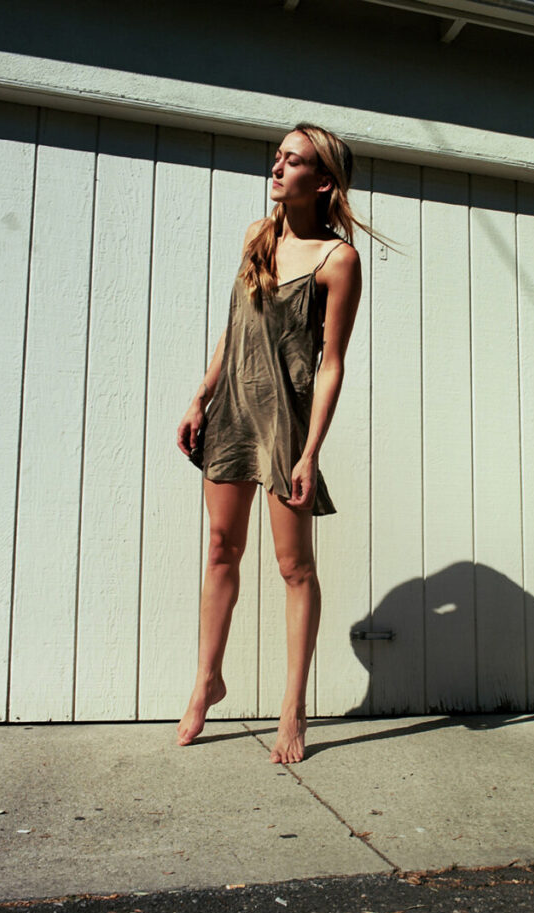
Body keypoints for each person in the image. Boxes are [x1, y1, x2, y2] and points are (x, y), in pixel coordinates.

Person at [175, 123, 363, 763]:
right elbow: (235, 329)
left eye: (294, 160)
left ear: (324, 180)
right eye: (277, 157)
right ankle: (207, 681)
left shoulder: (337, 260)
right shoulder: (259, 236)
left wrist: (311, 451)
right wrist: (201, 396)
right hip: (231, 412)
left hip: (285, 425)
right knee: (221, 549)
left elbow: (332, 363)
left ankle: (292, 706)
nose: (277, 167)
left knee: (294, 567)